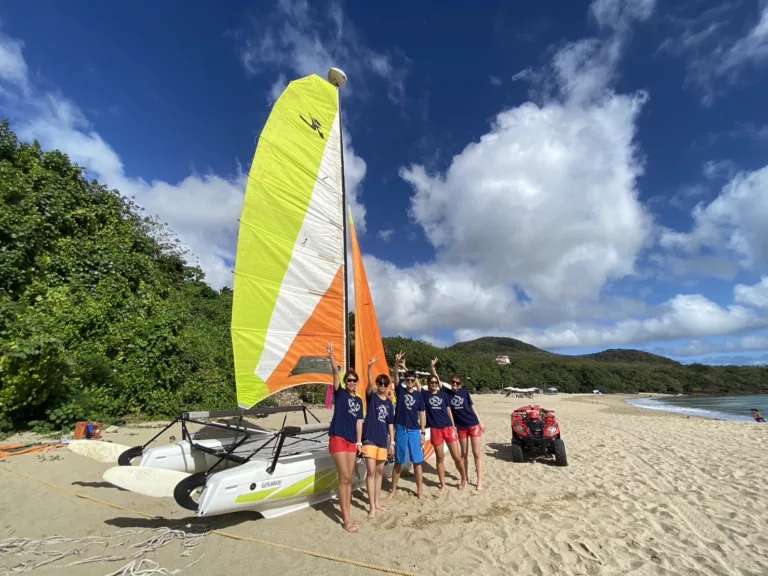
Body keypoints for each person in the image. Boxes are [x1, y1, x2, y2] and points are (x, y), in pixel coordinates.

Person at [431, 358, 485, 491]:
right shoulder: (447, 394)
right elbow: (437, 380)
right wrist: (433, 368)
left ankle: (479, 480)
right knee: (464, 454)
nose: (455, 385)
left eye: (457, 383)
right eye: (453, 383)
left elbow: (472, 408)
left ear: (461, 384)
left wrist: (480, 422)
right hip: (460, 427)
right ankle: (464, 479)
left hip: (473, 425)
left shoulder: (465, 392)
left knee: (476, 453)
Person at [327, 343, 364, 532]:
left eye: (353, 380)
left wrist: (359, 442)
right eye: (348, 380)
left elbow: (359, 422)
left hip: (352, 441)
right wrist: (332, 357)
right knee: (344, 477)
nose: (351, 382)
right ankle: (347, 520)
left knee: (349, 479)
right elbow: (335, 374)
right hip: (338, 438)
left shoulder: (358, 400)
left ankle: (347, 512)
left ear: (357, 382)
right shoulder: (340, 394)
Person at [389, 352, 427, 498]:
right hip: (401, 428)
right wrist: (397, 364)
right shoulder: (400, 391)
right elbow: (396, 377)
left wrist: (423, 433)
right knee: (398, 461)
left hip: (414, 430)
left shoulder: (419, 395)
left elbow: (422, 414)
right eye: (408, 380)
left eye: (412, 380)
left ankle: (420, 490)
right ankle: (393, 490)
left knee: (417, 462)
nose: (410, 381)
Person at [361, 358, 395, 517]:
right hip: (370, 439)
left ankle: (377, 503)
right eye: (379, 383)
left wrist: (392, 443)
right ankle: (372, 506)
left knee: (380, 473)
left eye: (384, 383)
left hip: (383, 440)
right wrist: (369, 368)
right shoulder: (372, 397)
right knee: (371, 471)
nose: (382, 385)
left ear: (387, 385)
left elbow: (390, 424)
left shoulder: (389, 404)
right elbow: (369, 384)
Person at [423, 372, 467, 492]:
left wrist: (453, 426)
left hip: (448, 428)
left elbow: (448, 411)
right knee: (439, 458)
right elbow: (415, 384)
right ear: (428, 384)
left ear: (438, 383)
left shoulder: (444, 395)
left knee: (456, 457)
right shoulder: (425, 395)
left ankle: (464, 478)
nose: (434, 384)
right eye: (431, 382)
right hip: (435, 429)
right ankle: (442, 484)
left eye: (435, 382)